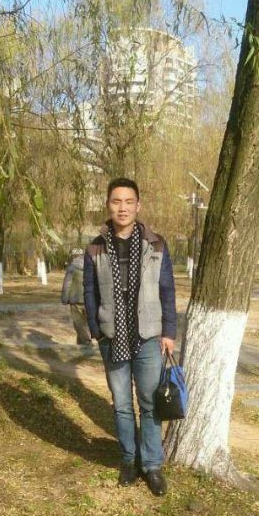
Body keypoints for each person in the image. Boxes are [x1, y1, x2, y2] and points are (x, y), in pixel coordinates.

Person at [83, 177, 177, 496]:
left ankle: (152, 465)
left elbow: (167, 290)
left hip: (148, 335)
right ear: (108, 205)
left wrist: (169, 332)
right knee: (122, 404)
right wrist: (96, 330)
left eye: (128, 202)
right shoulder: (95, 247)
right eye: (116, 201)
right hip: (113, 336)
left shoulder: (156, 244)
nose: (122, 208)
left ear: (138, 206)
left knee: (149, 404)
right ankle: (128, 460)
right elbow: (90, 291)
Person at [61, 248, 92, 346]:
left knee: (78, 322)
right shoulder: (90, 266)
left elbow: (67, 283)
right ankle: (81, 342)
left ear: (73, 256)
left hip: (75, 299)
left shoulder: (72, 267)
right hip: (88, 298)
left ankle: (86, 341)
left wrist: (64, 298)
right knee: (85, 322)